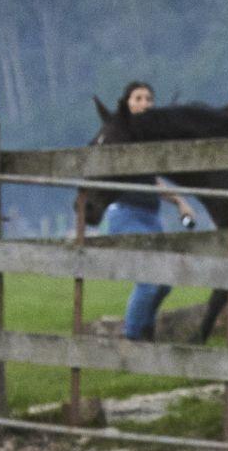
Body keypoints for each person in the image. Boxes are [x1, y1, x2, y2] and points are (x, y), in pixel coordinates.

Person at [84, 80, 197, 341]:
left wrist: (181, 202)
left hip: (151, 218)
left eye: (149, 98)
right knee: (147, 282)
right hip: (125, 214)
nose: (145, 103)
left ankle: (145, 328)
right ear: (127, 104)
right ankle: (132, 339)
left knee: (165, 281)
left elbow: (152, 181)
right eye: (138, 98)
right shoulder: (116, 138)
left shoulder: (144, 142)